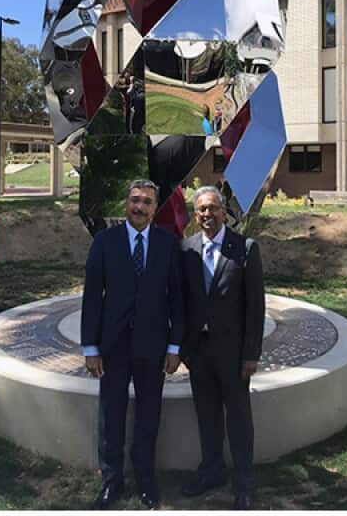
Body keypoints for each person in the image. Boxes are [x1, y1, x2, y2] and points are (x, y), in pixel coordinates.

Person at [82, 180, 184, 509]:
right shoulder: (104, 242)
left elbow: (177, 300)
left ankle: (145, 479)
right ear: (126, 203)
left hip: (152, 346)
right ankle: (112, 481)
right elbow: (92, 298)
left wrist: (174, 346)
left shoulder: (169, 244)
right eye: (135, 200)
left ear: (156, 209)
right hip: (112, 346)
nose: (139, 207)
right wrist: (90, 348)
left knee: (148, 414)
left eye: (147, 202)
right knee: (110, 413)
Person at [179, 186, 265, 510]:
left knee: (239, 419)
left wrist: (250, 355)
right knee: (207, 416)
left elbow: (255, 307)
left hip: (233, 355)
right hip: (199, 355)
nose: (206, 215)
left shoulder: (244, 249)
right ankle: (211, 470)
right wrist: (184, 350)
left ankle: (244, 484)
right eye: (201, 210)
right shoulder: (186, 249)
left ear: (224, 212)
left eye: (212, 209)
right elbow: (183, 302)